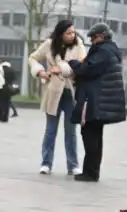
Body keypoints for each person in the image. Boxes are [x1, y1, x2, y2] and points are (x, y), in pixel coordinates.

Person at [69, 23, 126, 182]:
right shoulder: (111, 50)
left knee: (89, 135)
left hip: (96, 101)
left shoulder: (103, 51)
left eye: (93, 37)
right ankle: (92, 171)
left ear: (101, 36)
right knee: (95, 136)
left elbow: (88, 69)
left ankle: (90, 172)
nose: (92, 41)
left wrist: (73, 63)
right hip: (101, 101)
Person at [28, 20, 86, 174]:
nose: (72, 35)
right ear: (61, 34)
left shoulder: (78, 45)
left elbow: (82, 64)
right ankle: (46, 163)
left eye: (73, 32)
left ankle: (73, 165)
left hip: (71, 92)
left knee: (71, 131)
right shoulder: (49, 44)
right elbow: (33, 58)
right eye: (68, 33)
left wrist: (61, 69)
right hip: (53, 91)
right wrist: (40, 72)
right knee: (50, 130)